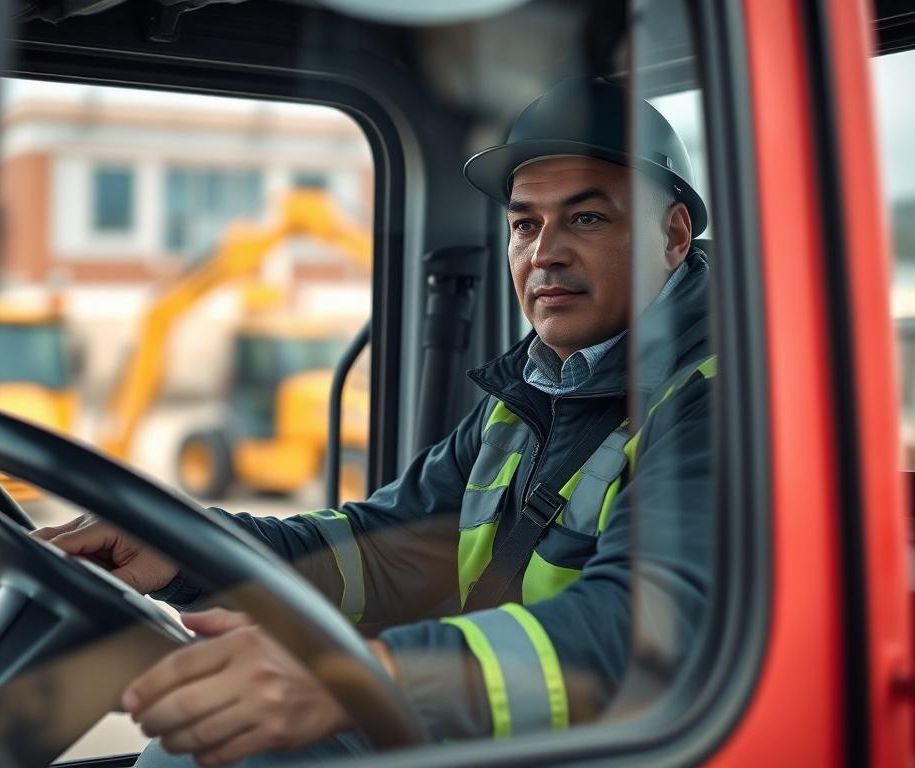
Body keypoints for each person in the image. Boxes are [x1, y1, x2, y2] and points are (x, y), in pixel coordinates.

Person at [35, 78, 714, 767]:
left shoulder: (721, 404)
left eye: (586, 219)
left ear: (673, 235)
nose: (544, 254)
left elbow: (640, 636)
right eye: (524, 225)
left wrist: (374, 676)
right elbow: (380, 552)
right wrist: (181, 545)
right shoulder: (525, 399)